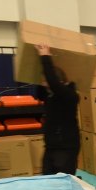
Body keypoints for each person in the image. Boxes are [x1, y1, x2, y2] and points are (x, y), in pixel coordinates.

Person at [34, 44, 80, 175]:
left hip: (66, 147)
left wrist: (45, 56)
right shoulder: (50, 95)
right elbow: (39, 93)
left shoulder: (69, 95)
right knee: (47, 178)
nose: (45, 86)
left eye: (46, 83)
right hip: (51, 146)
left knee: (62, 180)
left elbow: (53, 83)